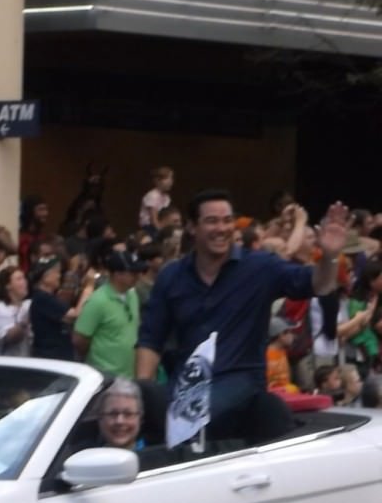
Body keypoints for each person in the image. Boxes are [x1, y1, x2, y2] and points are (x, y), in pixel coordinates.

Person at [137, 190, 348, 443]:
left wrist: (329, 256)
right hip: (186, 386)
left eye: (227, 220)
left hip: (241, 382)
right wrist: (143, 396)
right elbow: (150, 339)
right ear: (192, 227)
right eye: (212, 221)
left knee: (188, 421)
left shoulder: (260, 267)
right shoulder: (171, 276)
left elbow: (319, 285)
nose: (222, 228)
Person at [73, 250, 145, 377]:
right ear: (117, 274)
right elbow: (79, 339)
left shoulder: (133, 295)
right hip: (105, 376)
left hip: (129, 374)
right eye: (133, 273)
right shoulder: (98, 301)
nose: (137, 276)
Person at [29, 258, 94, 361]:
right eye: (55, 272)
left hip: (58, 354)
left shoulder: (48, 297)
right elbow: (75, 315)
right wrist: (88, 288)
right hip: (50, 357)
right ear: (44, 277)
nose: (59, 276)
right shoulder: (42, 298)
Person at [0, 267, 31, 357]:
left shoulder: (28, 304)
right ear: (8, 285)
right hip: (9, 362)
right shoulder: (0, 309)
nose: (24, 282)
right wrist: (24, 322)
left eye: (24, 278)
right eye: (19, 279)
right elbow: (9, 338)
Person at [96, 378, 144, 451]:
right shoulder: (85, 457)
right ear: (100, 418)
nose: (119, 421)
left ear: (140, 419)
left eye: (128, 414)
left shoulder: (156, 458)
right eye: (112, 414)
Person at [265, 317, 299, 393]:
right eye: (290, 332)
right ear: (281, 335)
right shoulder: (267, 355)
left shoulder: (282, 351)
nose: (292, 336)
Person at [140, 166, 173, 231]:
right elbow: (153, 219)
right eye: (167, 178)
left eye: (171, 178)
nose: (170, 181)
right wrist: (160, 232)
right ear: (157, 181)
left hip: (161, 225)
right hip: (149, 227)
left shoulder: (167, 198)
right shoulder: (152, 195)